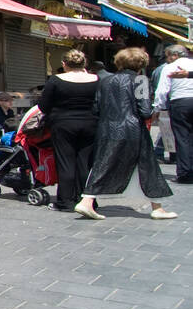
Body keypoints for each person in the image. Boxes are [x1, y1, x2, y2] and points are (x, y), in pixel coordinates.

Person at [74, 48, 176, 220]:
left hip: (107, 129)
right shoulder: (141, 80)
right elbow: (144, 111)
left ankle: (87, 201)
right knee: (148, 166)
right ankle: (157, 208)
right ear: (141, 64)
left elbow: (96, 108)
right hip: (132, 129)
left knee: (104, 163)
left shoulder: (105, 81)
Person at [37, 50, 99, 211]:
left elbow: (43, 105)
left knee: (65, 163)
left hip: (63, 125)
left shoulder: (56, 80)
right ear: (84, 64)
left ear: (64, 64)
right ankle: (87, 199)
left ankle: (65, 201)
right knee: (85, 163)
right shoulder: (96, 79)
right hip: (90, 124)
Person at [154, 44, 193, 181]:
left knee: (182, 137)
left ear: (175, 55)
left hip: (179, 103)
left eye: (168, 56)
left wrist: (158, 108)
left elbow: (162, 90)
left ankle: (185, 172)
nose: (167, 59)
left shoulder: (169, 68)